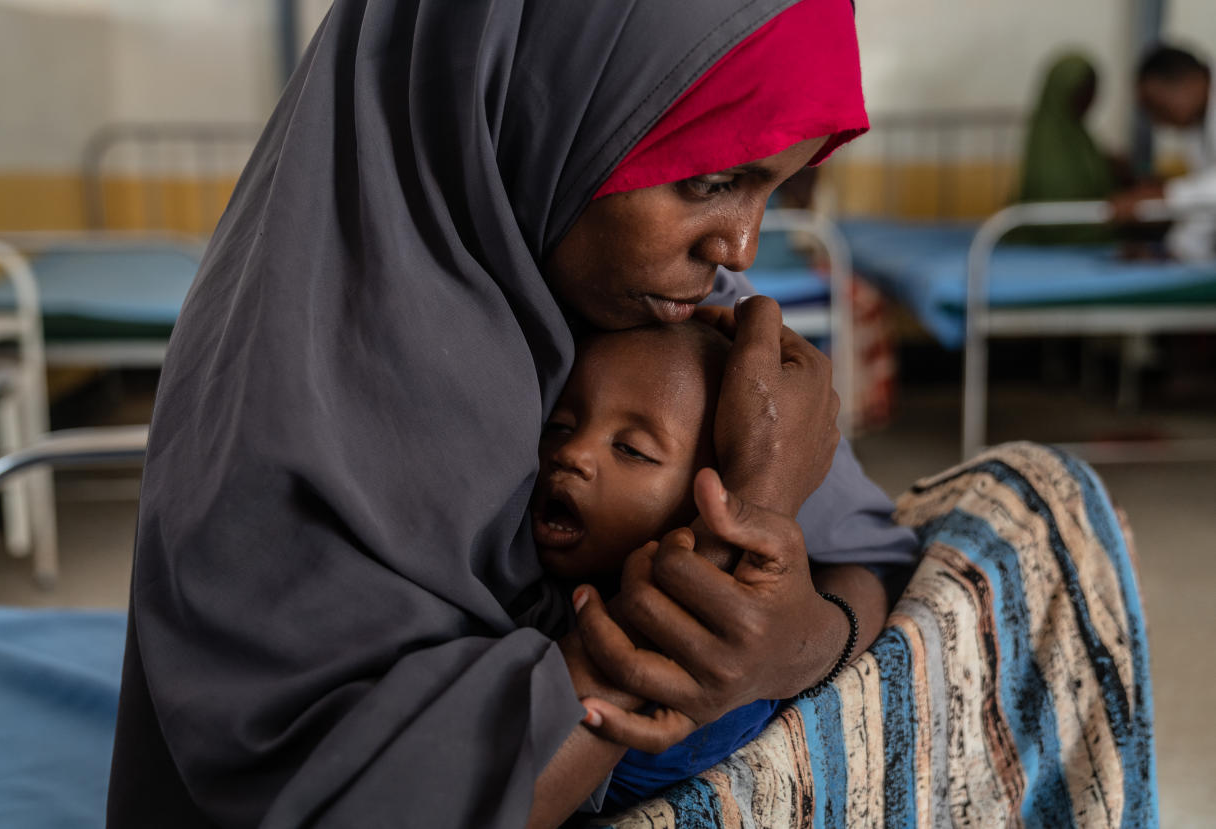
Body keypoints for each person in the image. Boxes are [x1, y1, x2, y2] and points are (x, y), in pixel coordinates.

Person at [106, 1, 919, 827]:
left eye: (777, 188)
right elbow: (364, 801)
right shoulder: (289, 392)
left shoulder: (679, 312)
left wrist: (801, 637)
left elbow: (868, 562)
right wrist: (735, 541)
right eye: (709, 181)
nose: (740, 248)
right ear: (532, 107)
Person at [530, 321, 808, 811]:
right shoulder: (525, 602)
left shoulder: (736, 655)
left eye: (631, 449)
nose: (572, 454)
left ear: (702, 506)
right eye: (559, 426)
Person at [1111, 45, 1216, 260]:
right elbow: (1206, 209)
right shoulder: (1198, 128)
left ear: (1189, 82)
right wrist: (1170, 252)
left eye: (1156, 106)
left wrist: (1165, 196)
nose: (1157, 120)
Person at [1015, 53, 1123, 244]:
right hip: (1062, 233)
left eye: (1093, 89)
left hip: (1092, 225)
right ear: (1063, 89)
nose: (1091, 97)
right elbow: (1054, 213)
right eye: (1084, 89)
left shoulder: (1079, 137)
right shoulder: (1049, 143)